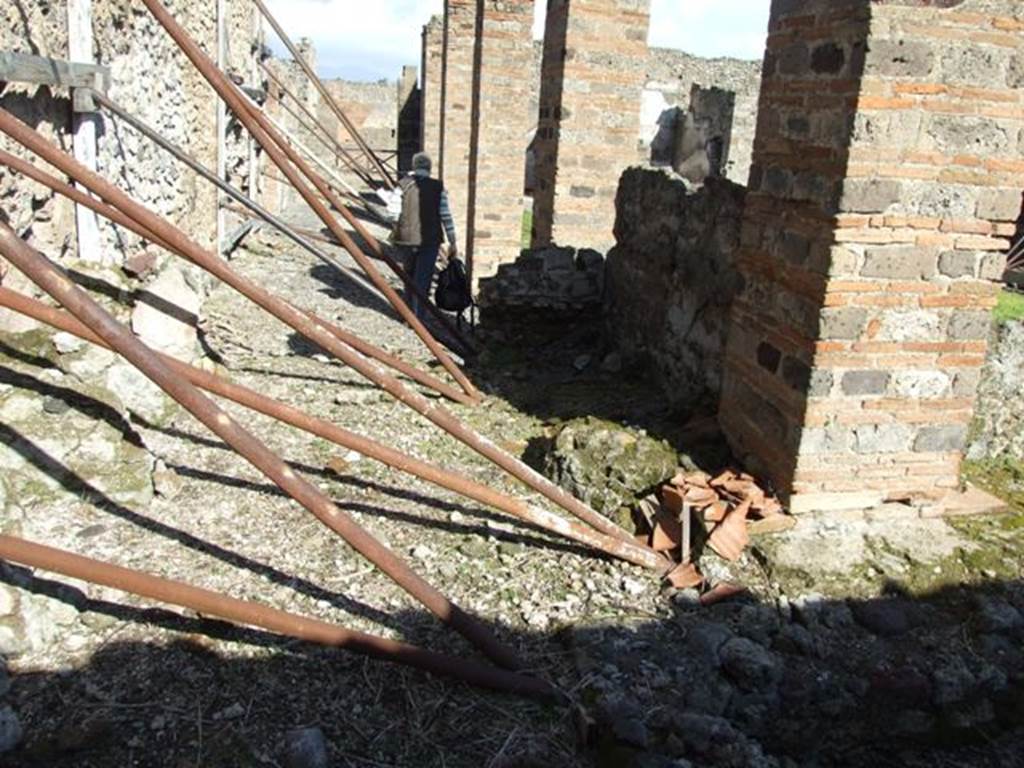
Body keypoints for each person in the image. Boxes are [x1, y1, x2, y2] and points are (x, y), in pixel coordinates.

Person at [392, 152, 458, 320]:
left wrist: (398, 225)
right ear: (429, 168)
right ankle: (418, 318)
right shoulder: (438, 187)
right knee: (423, 279)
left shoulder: (403, 184)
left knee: (408, 276)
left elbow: (392, 213)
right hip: (430, 239)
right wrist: (452, 241)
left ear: (414, 166)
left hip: (405, 239)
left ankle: (406, 315)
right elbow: (445, 215)